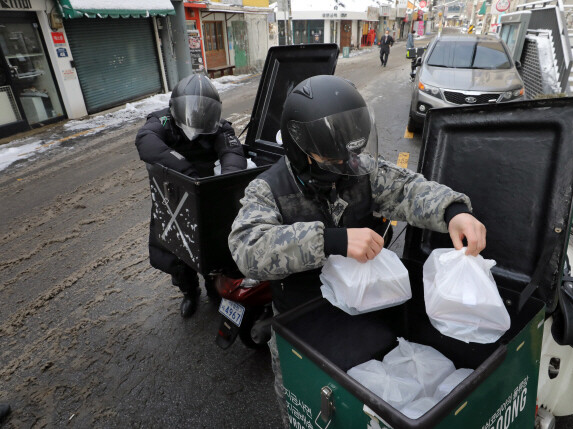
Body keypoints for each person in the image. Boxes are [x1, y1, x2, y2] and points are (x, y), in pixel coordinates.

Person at [228, 75, 486, 426]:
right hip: (302, 329)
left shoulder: (356, 168)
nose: (344, 163)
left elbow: (408, 189)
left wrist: (453, 212)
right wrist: (333, 240)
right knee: (302, 413)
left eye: (348, 152)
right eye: (330, 157)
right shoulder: (268, 189)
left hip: (362, 318)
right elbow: (247, 248)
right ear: (299, 148)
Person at [136, 74, 247, 318]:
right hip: (173, 196)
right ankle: (189, 291)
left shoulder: (219, 126)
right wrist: (184, 169)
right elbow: (145, 140)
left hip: (208, 195)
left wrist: (225, 180)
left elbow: (233, 151)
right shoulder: (163, 120)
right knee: (176, 252)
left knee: (212, 249)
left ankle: (214, 289)